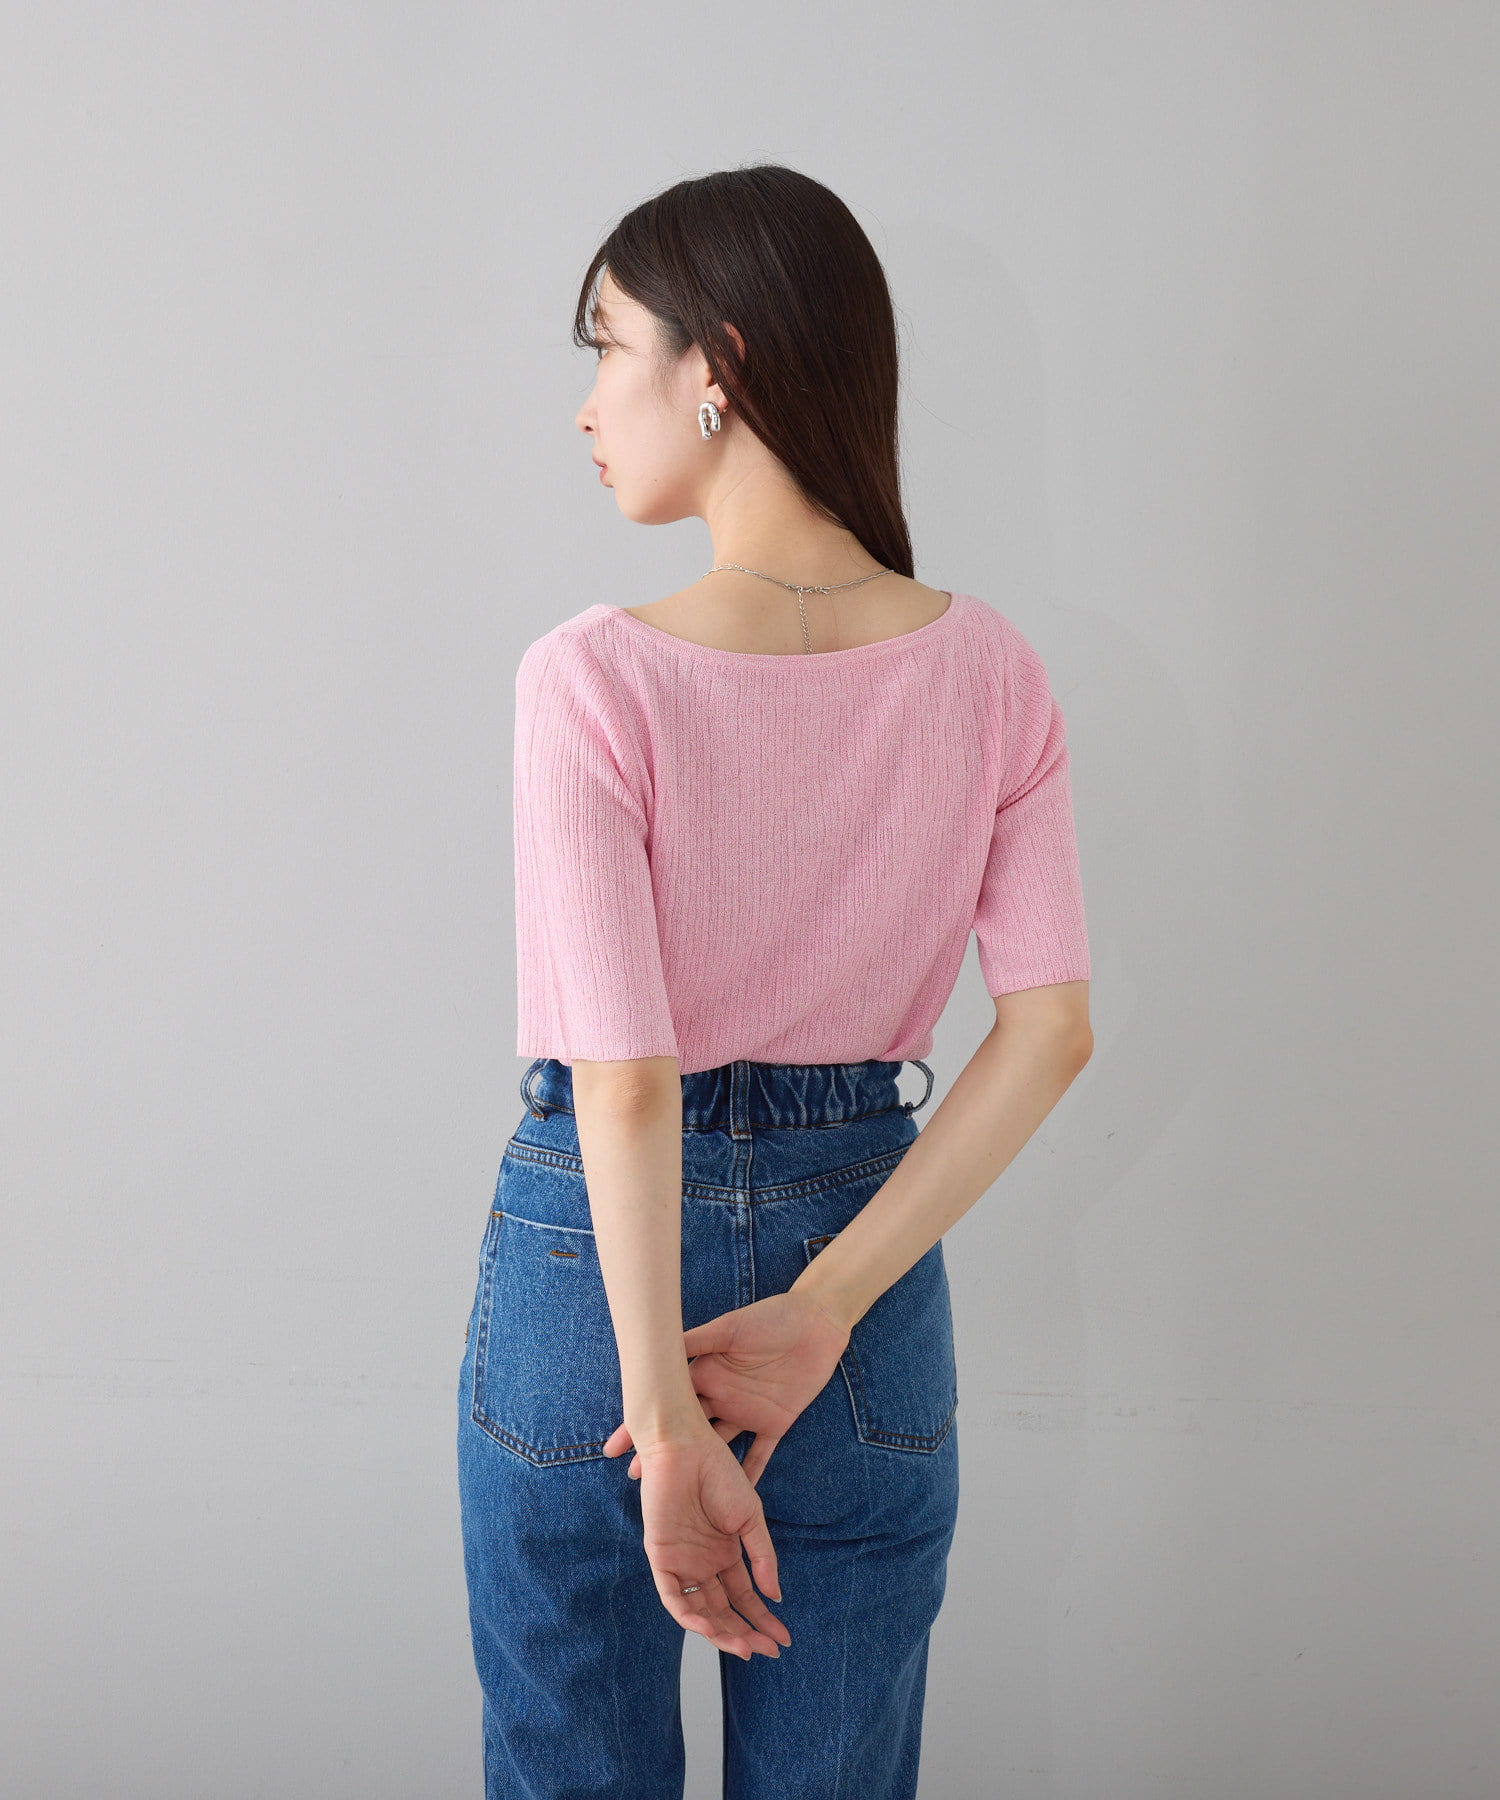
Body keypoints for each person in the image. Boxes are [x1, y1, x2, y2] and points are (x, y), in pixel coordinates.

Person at [455, 163, 1093, 1800]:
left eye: (608, 346)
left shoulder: (589, 678)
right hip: (857, 1286)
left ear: (716, 365)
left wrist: (661, 1418)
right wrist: (823, 1305)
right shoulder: (993, 671)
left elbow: (629, 1079)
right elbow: (1049, 1030)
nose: (587, 404)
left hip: (590, 1288)